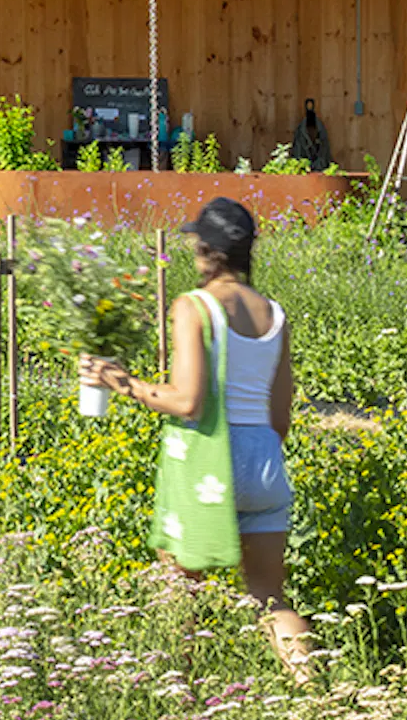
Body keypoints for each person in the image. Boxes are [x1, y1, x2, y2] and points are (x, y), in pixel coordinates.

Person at [80, 199, 315, 674]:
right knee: (270, 595)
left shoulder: (195, 306)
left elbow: (188, 401)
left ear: (208, 251)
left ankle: (181, 703)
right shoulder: (275, 314)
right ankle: (313, 693)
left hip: (210, 462)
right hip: (264, 461)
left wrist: (120, 381)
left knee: (181, 592)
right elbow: (281, 416)